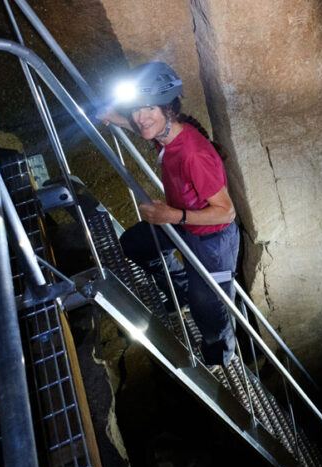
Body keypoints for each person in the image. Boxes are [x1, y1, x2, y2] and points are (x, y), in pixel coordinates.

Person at [98, 61, 240, 367]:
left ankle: (222, 353)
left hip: (212, 237)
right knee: (135, 243)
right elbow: (142, 125)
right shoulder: (164, 135)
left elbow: (226, 213)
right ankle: (182, 289)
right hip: (181, 221)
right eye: (136, 109)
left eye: (149, 108)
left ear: (167, 108)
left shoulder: (194, 154)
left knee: (209, 308)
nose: (141, 117)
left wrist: (173, 216)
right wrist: (117, 119)